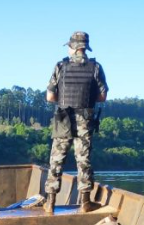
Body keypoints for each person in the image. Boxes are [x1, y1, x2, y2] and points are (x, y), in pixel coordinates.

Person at [43, 31, 108, 214]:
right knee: (83, 159)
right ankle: (86, 202)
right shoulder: (95, 67)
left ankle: (50, 202)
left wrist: (62, 100)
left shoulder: (60, 66)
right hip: (84, 119)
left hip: (63, 118)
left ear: (72, 47)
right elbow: (102, 96)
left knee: (56, 159)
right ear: (85, 48)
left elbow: (49, 96)